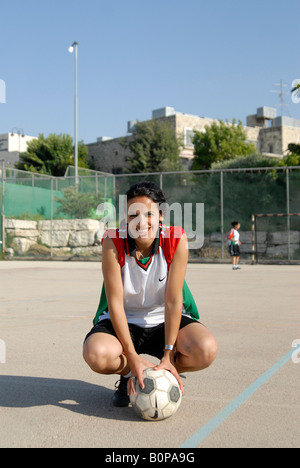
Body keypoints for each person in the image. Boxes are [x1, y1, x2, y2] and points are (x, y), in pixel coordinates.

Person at [83, 181, 218, 407]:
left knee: (206, 350)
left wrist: (167, 353)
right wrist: (132, 359)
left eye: (148, 214)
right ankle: (130, 374)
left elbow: (174, 301)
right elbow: (115, 303)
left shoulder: (176, 239)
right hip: (124, 320)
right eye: (133, 215)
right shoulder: (112, 241)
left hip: (164, 319)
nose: (141, 222)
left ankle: (163, 370)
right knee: (96, 354)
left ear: (161, 216)